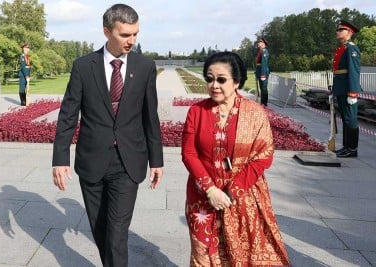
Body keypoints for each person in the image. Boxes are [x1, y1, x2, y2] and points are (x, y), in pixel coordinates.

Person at [52, 4, 164, 267]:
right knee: (100, 228)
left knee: (116, 233)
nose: (132, 41)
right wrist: (60, 158)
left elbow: (151, 116)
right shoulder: (83, 66)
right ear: (106, 31)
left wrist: (156, 160)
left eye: (135, 34)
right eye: (125, 35)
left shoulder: (145, 66)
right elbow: (68, 114)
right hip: (92, 160)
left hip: (129, 161)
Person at [182, 51, 290, 266]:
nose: (214, 85)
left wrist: (232, 193)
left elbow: (263, 157)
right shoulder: (197, 111)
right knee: (204, 254)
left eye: (221, 80)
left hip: (243, 195)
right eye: (210, 79)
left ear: (237, 82)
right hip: (203, 196)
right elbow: (189, 153)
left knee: (243, 255)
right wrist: (211, 190)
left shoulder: (255, 113)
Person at [332, 19, 361, 158]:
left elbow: (353, 71)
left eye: (340, 30)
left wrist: (353, 93)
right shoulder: (342, 48)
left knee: (351, 119)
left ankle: (352, 148)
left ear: (349, 33)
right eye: (338, 30)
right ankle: (346, 147)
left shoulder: (351, 48)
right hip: (341, 88)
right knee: (345, 118)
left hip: (348, 89)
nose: (337, 32)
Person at [255, 37, 270, 106]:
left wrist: (263, 75)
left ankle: (264, 103)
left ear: (263, 44)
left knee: (264, 89)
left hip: (263, 73)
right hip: (260, 72)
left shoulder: (264, 51)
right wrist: (257, 72)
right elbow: (258, 64)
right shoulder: (260, 51)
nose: (258, 43)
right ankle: (262, 103)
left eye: (260, 42)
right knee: (262, 88)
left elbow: (264, 64)